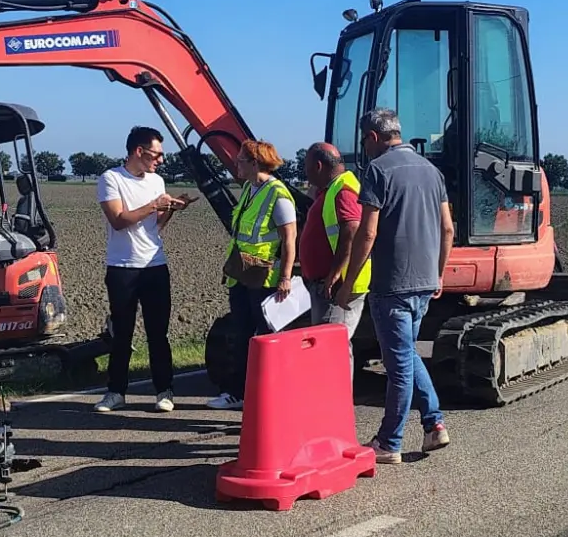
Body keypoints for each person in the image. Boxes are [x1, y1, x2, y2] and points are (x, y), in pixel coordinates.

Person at [333, 108, 453, 464]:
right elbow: (448, 229)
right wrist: (439, 274)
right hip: (424, 283)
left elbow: (367, 232)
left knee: (398, 366)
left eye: (364, 141)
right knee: (406, 355)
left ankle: (389, 442)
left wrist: (349, 283)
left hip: (392, 285)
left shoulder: (377, 170)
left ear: (372, 137)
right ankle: (434, 425)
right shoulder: (432, 172)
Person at [96, 127, 192, 413]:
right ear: (139, 151)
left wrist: (172, 208)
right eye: (156, 154)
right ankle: (116, 392)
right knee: (122, 332)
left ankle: (164, 390)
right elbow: (119, 220)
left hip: (155, 265)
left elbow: (156, 226)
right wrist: (154, 205)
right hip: (123, 267)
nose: (160, 160)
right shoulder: (110, 179)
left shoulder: (156, 181)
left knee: (158, 333)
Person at [206, 139, 297, 411]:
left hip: (264, 278)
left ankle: (270, 394)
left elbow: (289, 238)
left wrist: (286, 277)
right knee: (242, 332)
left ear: (255, 163)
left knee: (265, 337)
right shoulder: (250, 189)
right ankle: (238, 392)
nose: (236, 165)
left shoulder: (277, 195)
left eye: (241, 161)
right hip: (242, 273)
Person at [300, 141, 368, 344]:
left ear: (319, 166)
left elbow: (352, 229)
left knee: (331, 345)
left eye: (307, 168)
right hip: (330, 282)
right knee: (329, 345)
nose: (306, 174)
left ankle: (337, 378)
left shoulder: (343, 191)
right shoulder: (331, 189)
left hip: (337, 284)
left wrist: (335, 272)